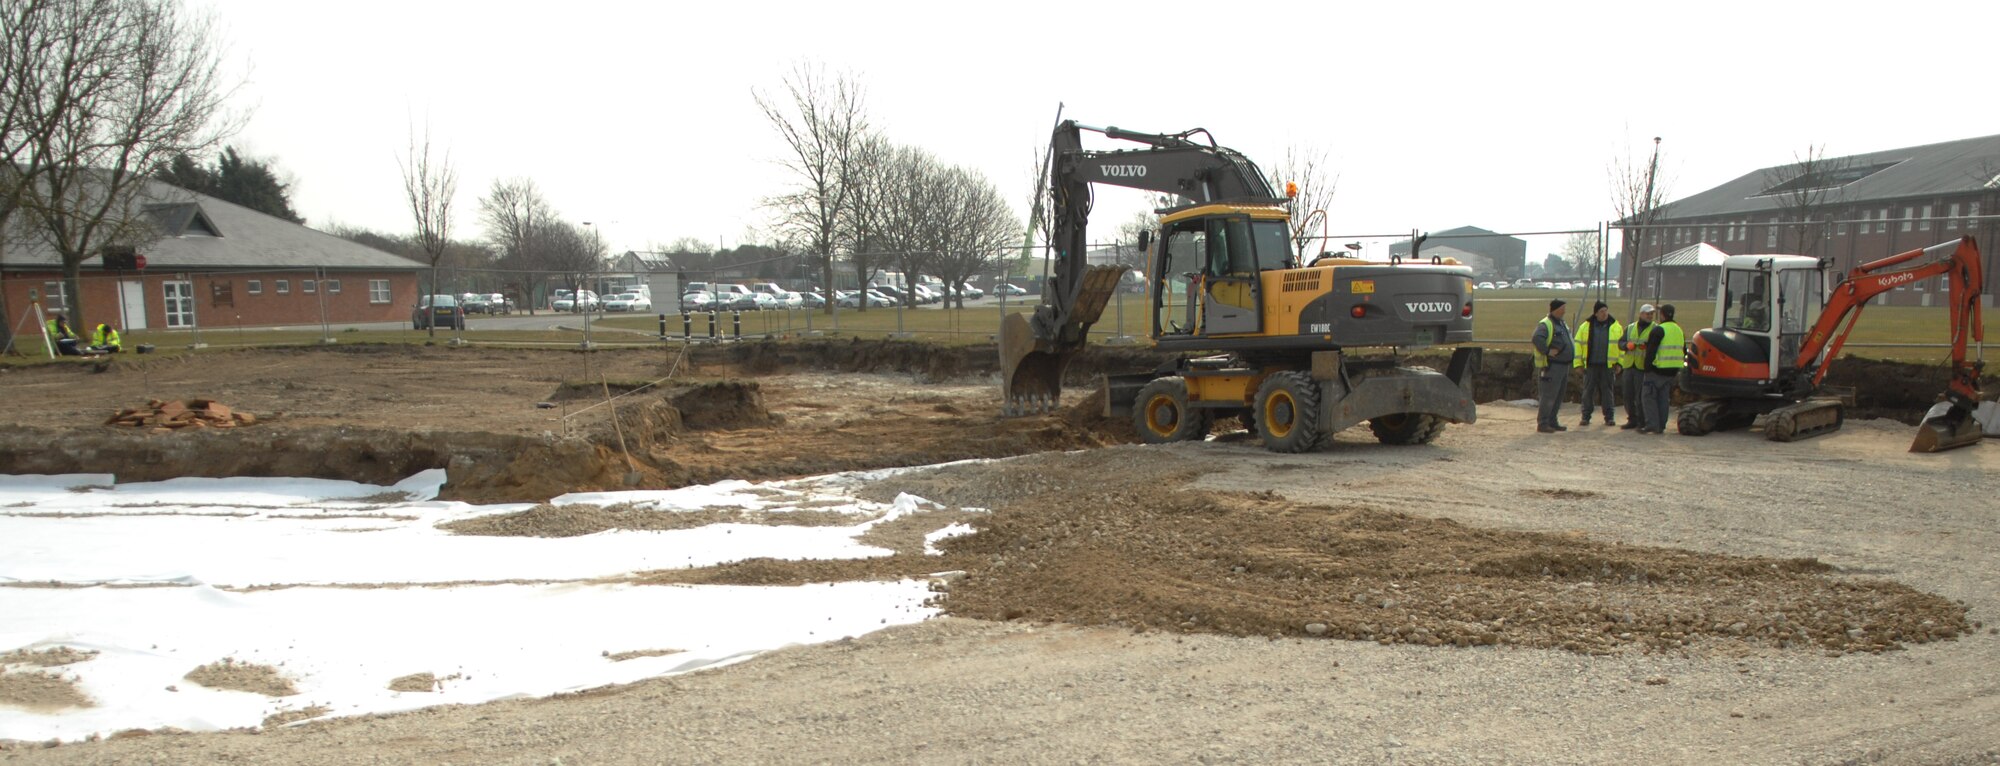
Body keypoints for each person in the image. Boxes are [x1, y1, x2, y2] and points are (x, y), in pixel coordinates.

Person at [1572, 301, 1623, 426]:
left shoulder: (1616, 327)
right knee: (1588, 392)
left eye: (1606, 310)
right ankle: (1585, 416)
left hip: (1608, 366)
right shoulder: (1585, 327)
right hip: (1591, 366)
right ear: (1595, 313)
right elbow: (1578, 346)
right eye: (1601, 311)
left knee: (1608, 392)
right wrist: (1578, 364)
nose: (1604, 313)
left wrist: (1619, 364)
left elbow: (1621, 347)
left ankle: (1609, 417)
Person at [1639, 304, 1685, 434]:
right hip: (1672, 371)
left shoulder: (1659, 330)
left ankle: (1652, 425)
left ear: (1662, 315)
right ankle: (1661, 425)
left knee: (1648, 397)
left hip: (1657, 370)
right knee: (1663, 398)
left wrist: (1647, 368)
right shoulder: (1679, 330)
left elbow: (1651, 351)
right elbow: (1683, 350)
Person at [1530, 298, 1575, 433]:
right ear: (1556, 309)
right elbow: (1536, 338)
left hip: (1563, 365)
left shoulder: (1561, 323)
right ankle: (1543, 423)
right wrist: (1548, 351)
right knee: (1549, 395)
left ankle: (1552, 421)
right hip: (1552, 366)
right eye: (1562, 308)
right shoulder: (1546, 324)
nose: (1564, 311)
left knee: (1558, 395)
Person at [1619, 304, 1656, 430]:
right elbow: (1620, 342)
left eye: (1651, 314)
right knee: (1628, 395)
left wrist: (1647, 346)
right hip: (1629, 366)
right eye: (1647, 314)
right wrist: (1626, 345)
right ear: (1641, 314)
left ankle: (1642, 421)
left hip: (1642, 367)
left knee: (1641, 396)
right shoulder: (1630, 328)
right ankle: (1632, 419)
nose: (1650, 316)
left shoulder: (1655, 328)